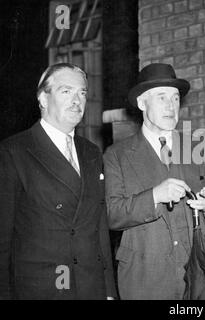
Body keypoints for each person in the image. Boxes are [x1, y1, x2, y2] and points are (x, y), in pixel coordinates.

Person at [103, 63, 205, 300]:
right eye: (161, 98)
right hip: (145, 279)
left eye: (175, 98)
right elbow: (111, 214)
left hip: (198, 276)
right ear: (141, 103)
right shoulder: (116, 155)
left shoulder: (197, 147)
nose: (171, 106)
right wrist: (154, 196)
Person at [0, 63, 117, 300]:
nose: (77, 100)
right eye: (66, 91)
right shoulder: (14, 151)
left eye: (82, 93)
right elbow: (3, 239)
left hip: (90, 288)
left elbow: (99, 227)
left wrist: (108, 291)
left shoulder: (92, 152)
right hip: (41, 289)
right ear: (43, 99)